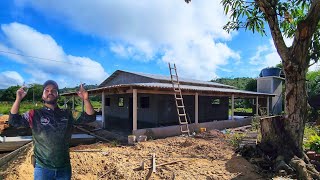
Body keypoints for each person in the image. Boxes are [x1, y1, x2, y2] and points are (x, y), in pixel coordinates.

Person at [9, 80, 96, 180]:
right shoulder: (34, 114)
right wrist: (18, 99)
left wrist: (86, 99)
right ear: (42, 96)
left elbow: (90, 117)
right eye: (47, 90)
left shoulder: (68, 114)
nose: (50, 92)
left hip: (64, 168)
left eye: (54, 90)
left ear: (58, 95)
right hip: (42, 168)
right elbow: (13, 121)